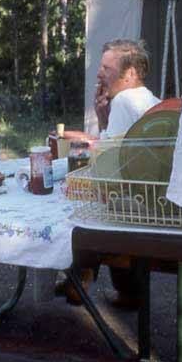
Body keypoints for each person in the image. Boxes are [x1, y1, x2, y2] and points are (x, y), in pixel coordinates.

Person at [59, 39, 160, 308]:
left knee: (82, 203)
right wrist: (103, 118)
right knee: (110, 198)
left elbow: (108, 162)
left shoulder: (126, 100)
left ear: (129, 74)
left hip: (139, 205)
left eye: (106, 67)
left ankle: (81, 273)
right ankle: (125, 291)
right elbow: (118, 148)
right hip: (152, 196)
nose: (99, 73)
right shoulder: (147, 97)